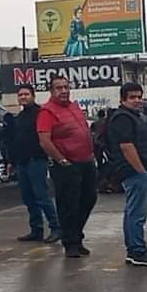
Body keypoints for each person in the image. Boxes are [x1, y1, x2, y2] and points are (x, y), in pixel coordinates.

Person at [106, 82, 147, 267]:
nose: (137, 100)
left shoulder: (133, 116)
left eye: (139, 97)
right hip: (134, 172)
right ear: (123, 99)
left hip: (137, 172)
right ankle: (137, 251)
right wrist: (142, 171)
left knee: (133, 212)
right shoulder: (123, 118)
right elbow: (126, 146)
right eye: (132, 97)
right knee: (136, 213)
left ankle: (135, 250)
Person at [37, 76, 96, 259]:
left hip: (86, 161)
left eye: (66, 87)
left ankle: (76, 237)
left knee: (88, 199)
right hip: (67, 165)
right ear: (51, 91)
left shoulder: (74, 107)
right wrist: (62, 160)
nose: (63, 91)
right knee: (69, 205)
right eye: (58, 88)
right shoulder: (47, 112)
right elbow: (44, 141)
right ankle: (70, 243)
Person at [10, 85, 61, 244]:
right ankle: (36, 229)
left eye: (26, 94)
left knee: (42, 196)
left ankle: (55, 227)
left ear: (33, 96)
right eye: (20, 95)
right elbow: (15, 140)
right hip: (22, 162)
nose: (23, 97)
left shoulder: (40, 114)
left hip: (37, 160)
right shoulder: (19, 117)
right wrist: (12, 161)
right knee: (28, 197)